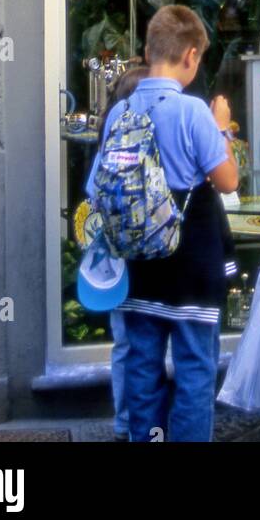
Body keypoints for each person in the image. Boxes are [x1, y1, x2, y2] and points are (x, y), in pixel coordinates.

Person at [87, 5, 239, 442]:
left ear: (150, 50)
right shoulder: (193, 113)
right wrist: (222, 129)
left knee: (142, 364)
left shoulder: (120, 113)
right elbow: (227, 181)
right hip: (190, 264)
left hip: (138, 266)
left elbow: (97, 187)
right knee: (194, 366)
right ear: (190, 56)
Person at [94, 63, 149, 442]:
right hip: (141, 255)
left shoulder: (112, 134)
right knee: (139, 340)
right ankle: (134, 421)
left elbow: (93, 192)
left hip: (118, 252)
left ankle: (126, 422)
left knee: (125, 341)